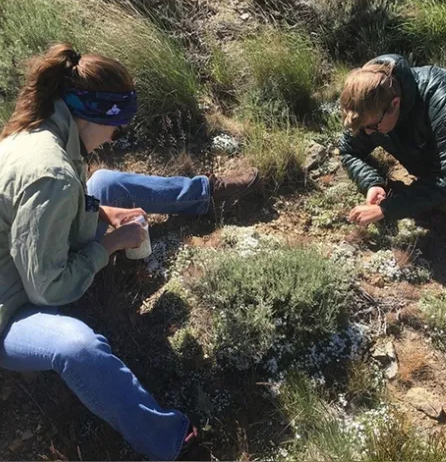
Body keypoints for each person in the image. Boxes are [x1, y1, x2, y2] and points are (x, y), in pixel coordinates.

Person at [0, 44, 258, 460]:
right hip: (10, 309)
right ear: (94, 115)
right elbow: (47, 289)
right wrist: (108, 245)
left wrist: (97, 210)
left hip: (28, 259)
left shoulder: (46, 129)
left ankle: (205, 194)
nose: (117, 135)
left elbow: (51, 213)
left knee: (103, 183)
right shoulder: (51, 172)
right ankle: (173, 445)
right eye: (116, 126)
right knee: (76, 347)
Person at [338, 54, 446, 232]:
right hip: (442, 170)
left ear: (395, 104)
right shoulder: (374, 109)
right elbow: (348, 150)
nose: (367, 133)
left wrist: (386, 209)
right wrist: (372, 183)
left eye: (372, 126)